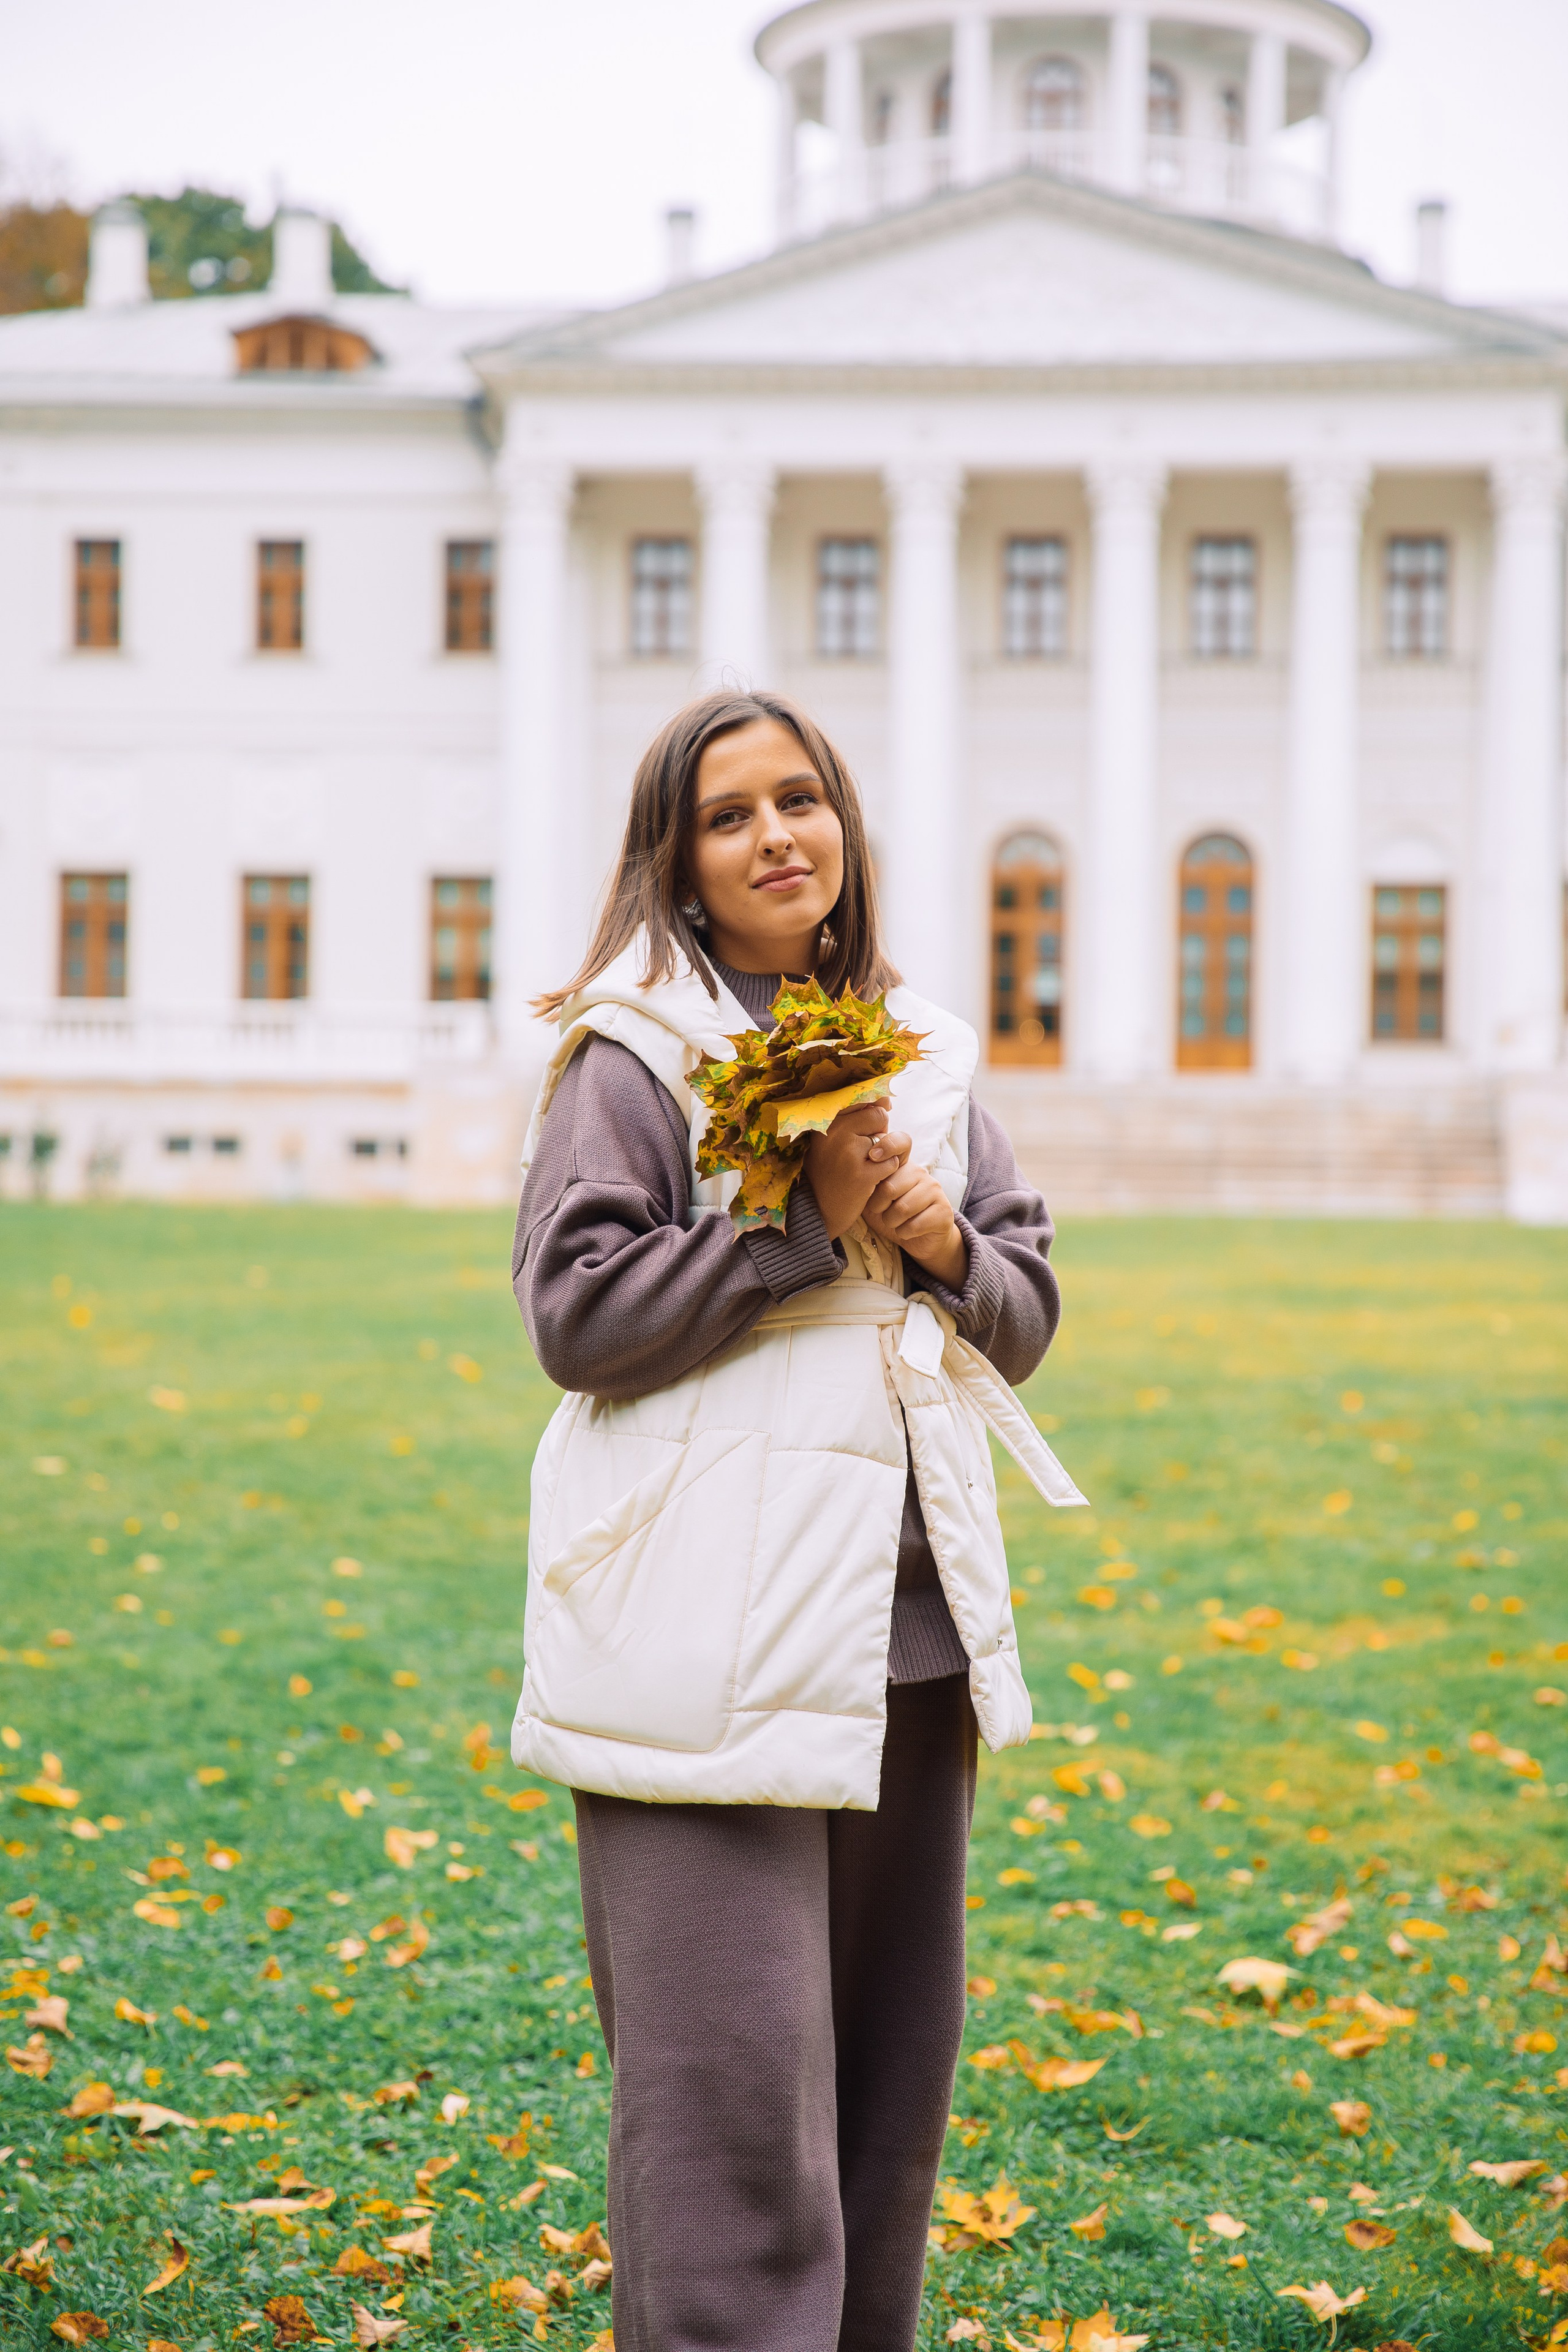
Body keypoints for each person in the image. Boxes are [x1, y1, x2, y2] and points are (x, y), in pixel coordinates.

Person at [509, 690, 1083, 2352]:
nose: (777, 835)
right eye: (730, 812)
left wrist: (947, 1243)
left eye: (802, 799)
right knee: (730, 2132)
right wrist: (791, 1233)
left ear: (845, 827)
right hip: (702, 1633)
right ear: (678, 863)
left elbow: (1027, 1302)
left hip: (902, 1640)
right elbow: (574, 1310)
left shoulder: (931, 1045)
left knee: (885, 2112)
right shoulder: (638, 1052)